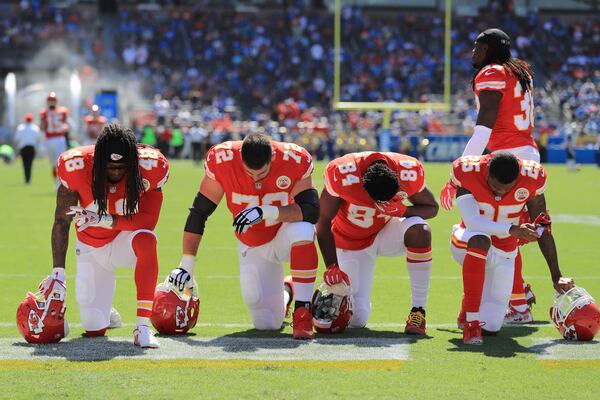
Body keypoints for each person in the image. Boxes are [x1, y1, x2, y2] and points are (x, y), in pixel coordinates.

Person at [170, 133, 320, 339]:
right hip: (253, 243)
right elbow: (199, 212)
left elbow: (311, 211)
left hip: (284, 232)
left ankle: (303, 312)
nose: (256, 179)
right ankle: (288, 289)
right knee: (266, 322)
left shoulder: (293, 159)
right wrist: (186, 263)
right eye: (250, 173)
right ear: (240, 160)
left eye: (262, 173)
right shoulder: (223, 160)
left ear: (272, 159)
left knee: (304, 228)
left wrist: (266, 211)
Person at [439, 28, 539, 323]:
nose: (473, 52)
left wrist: (460, 170)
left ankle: (506, 304)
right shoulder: (519, 71)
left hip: (504, 159)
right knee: (509, 233)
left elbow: (484, 126)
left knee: (484, 231)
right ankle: (518, 300)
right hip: (527, 154)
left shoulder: (492, 71)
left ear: (491, 49)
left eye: (478, 47)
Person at [47, 123, 169, 348]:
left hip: (125, 239)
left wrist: (107, 220)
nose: (115, 172)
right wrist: (58, 273)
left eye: (122, 167)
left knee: (147, 240)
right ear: (98, 160)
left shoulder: (151, 166)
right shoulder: (75, 166)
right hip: (91, 247)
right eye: (109, 167)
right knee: (93, 328)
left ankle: (142, 327)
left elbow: (148, 221)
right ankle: (104, 308)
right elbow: (61, 221)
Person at [450, 153, 573, 344]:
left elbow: (542, 227)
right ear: (487, 174)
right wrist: (512, 229)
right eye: (495, 188)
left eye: (506, 190)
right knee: (480, 239)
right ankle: (471, 323)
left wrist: (556, 275)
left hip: (505, 250)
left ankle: (469, 308)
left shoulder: (532, 178)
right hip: (467, 240)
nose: (499, 194)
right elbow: (472, 222)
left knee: (491, 326)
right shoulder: (467, 171)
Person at [316, 151, 438, 334]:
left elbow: (432, 208)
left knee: (420, 231)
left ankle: (418, 311)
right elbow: (323, 221)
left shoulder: (408, 170)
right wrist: (332, 266)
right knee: (357, 318)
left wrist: (403, 211)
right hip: (351, 240)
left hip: (386, 231)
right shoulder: (342, 173)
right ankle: (294, 284)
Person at [40, 92, 69, 180]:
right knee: (56, 163)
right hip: (57, 139)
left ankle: (59, 181)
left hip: (52, 139)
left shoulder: (44, 112)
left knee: (57, 162)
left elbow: (42, 127)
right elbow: (66, 125)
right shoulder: (62, 111)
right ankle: (58, 181)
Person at [14, 113, 42, 184]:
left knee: (24, 163)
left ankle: (26, 178)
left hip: (23, 148)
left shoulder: (20, 128)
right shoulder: (35, 128)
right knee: (29, 163)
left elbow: (16, 138)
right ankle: (28, 178)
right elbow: (39, 138)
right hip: (31, 148)